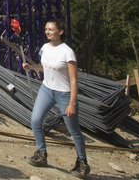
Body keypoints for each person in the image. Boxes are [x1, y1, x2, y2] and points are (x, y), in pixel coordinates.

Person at [22, 19, 90, 179]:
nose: (47, 32)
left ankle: (82, 163)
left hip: (64, 94)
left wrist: (72, 103)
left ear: (60, 32)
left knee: (74, 131)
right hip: (46, 89)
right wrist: (31, 67)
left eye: (51, 29)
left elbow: (74, 80)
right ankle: (41, 154)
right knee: (35, 120)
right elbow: (44, 67)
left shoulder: (67, 52)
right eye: (46, 29)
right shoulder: (45, 48)